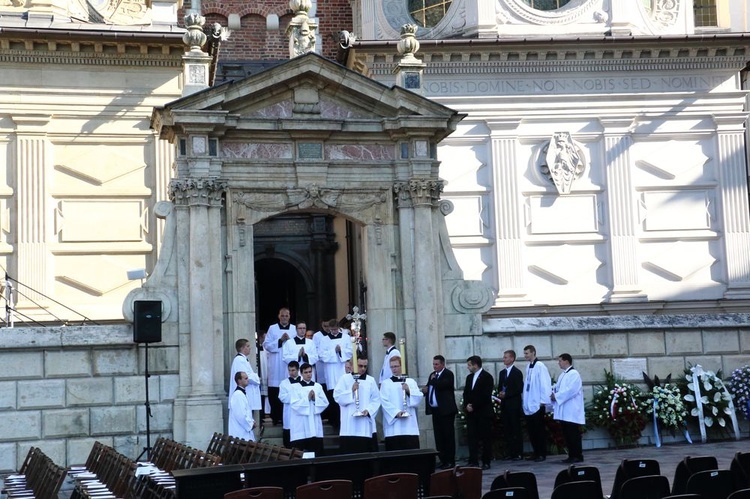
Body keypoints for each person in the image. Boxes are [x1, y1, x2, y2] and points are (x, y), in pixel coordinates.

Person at [334, 357, 380, 453]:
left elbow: (376, 399)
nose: (363, 368)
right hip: (349, 426)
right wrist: (351, 390)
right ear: (352, 365)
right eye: (360, 366)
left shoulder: (370, 380)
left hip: (364, 426)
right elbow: (337, 397)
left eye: (365, 366)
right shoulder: (344, 379)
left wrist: (369, 410)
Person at [421, 354, 457, 469]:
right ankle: (442, 459)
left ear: (442, 364)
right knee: (439, 437)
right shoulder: (432, 375)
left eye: (437, 364)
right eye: (433, 364)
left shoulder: (448, 374)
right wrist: (425, 390)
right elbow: (429, 387)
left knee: (448, 436)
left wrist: (433, 381)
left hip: (446, 411)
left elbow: (442, 385)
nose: (434, 366)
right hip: (436, 411)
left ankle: (450, 460)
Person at [379, 356, 423, 450]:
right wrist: (396, 412)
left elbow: (418, 398)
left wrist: (408, 390)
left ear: (402, 366)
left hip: (409, 426)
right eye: (392, 367)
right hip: (394, 427)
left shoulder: (410, 382)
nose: (394, 369)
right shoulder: (386, 383)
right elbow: (384, 401)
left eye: (396, 366)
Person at [263, 308, 296, 425]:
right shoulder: (272, 328)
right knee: (275, 391)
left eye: (286, 316)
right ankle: (276, 417)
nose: (284, 318)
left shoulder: (294, 329)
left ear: (289, 316)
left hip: (288, 364)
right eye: (282, 316)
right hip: (276, 363)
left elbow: (296, 344)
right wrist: (280, 340)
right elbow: (266, 345)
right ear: (279, 316)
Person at [551, 353, 585, 464]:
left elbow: (571, 390)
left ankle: (577, 455)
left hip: (571, 410)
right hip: (564, 410)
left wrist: (556, 396)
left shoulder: (574, 374)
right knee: (567, 434)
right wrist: (552, 393)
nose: (558, 363)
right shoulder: (563, 375)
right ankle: (571, 455)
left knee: (573, 434)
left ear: (566, 361)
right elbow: (557, 388)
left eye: (560, 360)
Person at [462, 355, 494, 470]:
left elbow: (485, 395)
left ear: (475, 365)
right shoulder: (469, 378)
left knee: (485, 438)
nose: (468, 367)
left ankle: (486, 461)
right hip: (472, 413)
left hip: (483, 412)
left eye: (469, 365)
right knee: (472, 437)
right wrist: (467, 404)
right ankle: (473, 460)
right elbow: (466, 393)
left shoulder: (487, 377)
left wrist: (474, 405)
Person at [289, 362, 328, 455]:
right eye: (306, 372)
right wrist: (307, 398)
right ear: (301, 373)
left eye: (310, 372)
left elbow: (325, 403)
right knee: (300, 453)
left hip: (314, 424)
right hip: (301, 425)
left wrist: (315, 399)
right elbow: (294, 404)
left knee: (316, 451)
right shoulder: (295, 387)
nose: (308, 374)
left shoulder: (318, 386)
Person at [319, 319, 352, 428]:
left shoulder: (346, 338)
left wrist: (341, 350)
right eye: (331, 329)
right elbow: (322, 354)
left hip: (342, 368)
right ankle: (334, 420)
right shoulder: (324, 339)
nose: (333, 331)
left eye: (335, 329)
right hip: (331, 369)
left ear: (338, 327)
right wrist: (334, 351)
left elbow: (350, 351)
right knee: (332, 395)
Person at [522, 345, 551, 462]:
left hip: (538, 404)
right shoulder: (528, 366)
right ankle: (535, 452)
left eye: (527, 353)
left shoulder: (540, 366)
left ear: (533, 353)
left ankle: (541, 453)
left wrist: (543, 401)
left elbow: (545, 384)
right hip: (529, 403)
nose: (525, 356)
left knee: (539, 430)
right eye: (524, 354)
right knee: (532, 430)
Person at [497, 349, 523, 461]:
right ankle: (510, 452)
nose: (504, 359)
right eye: (504, 357)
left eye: (506, 357)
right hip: (505, 405)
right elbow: (499, 386)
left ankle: (518, 452)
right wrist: (500, 393)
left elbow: (518, 389)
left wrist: (507, 394)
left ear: (512, 358)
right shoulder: (502, 373)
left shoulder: (517, 372)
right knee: (507, 429)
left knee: (515, 429)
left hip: (514, 405)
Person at [229, 339, 262, 427]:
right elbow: (246, 376)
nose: (250, 348)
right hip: (244, 394)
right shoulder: (239, 360)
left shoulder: (243, 359)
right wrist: (257, 378)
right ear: (242, 348)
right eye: (247, 346)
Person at [278, 360, 301, 448]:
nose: (291, 373)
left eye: (293, 370)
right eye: (289, 370)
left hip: (300, 412)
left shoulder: (303, 381)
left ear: (298, 370)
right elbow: (282, 397)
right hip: (289, 412)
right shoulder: (284, 383)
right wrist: (296, 395)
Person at [228, 371, 256, 441]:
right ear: (239, 380)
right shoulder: (238, 395)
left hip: (244, 433)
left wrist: (252, 421)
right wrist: (251, 424)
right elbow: (241, 415)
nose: (248, 380)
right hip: (240, 434)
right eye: (245, 378)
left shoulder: (241, 394)